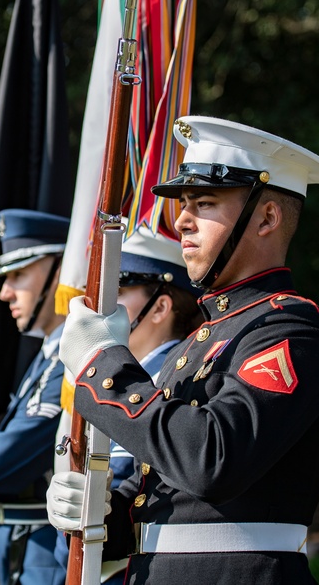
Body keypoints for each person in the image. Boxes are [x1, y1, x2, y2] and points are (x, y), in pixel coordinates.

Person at [49, 116, 319, 584]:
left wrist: (103, 364)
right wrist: (94, 513)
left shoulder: (292, 332)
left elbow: (211, 460)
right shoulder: (199, 342)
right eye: (184, 203)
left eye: (205, 202)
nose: (182, 221)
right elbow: (162, 498)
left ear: (267, 217)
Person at [49, 223, 204, 583]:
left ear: (160, 306)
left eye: (117, 290)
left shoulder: (174, 382)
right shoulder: (104, 380)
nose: (99, 304)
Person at [0, 209, 70, 585]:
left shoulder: (71, 362)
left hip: (42, 557)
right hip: (19, 551)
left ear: (62, 271)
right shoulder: (48, 356)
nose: (5, 291)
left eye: (19, 275)